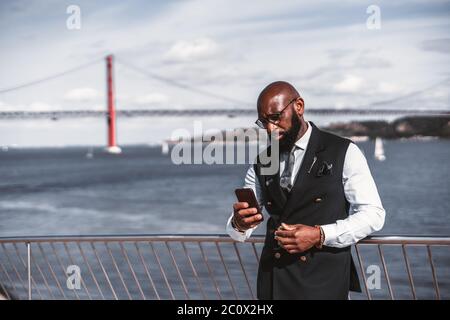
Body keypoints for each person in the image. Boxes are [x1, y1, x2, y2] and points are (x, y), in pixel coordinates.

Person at [226, 81, 386, 299]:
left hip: (323, 282)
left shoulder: (344, 151)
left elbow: (373, 215)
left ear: (298, 106)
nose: (270, 129)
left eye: (275, 117)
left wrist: (320, 235)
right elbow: (239, 232)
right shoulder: (262, 162)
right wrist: (239, 223)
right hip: (273, 282)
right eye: (264, 122)